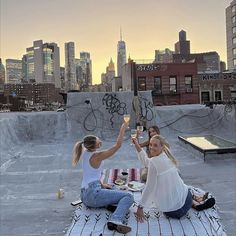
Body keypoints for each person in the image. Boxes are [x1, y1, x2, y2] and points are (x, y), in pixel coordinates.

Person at [131, 134, 215, 222]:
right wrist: (137, 144)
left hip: (175, 212)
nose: (151, 147)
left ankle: (196, 202)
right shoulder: (166, 156)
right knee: (184, 188)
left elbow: (149, 187)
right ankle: (196, 203)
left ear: (162, 147)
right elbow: (146, 161)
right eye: (150, 144)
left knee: (170, 197)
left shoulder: (154, 162)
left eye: (155, 145)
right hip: (187, 199)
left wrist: (140, 207)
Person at [72, 123, 134, 234]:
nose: (100, 141)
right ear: (94, 145)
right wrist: (122, 129)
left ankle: (110, 205)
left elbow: (91, 173)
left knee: (114, 187)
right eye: (98, 141)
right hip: (92, 196)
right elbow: (117, 146)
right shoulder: (97, 156)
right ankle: (115, 219)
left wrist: (102, 184)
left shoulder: (86, 152)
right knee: (128, 196)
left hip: (84, 195)